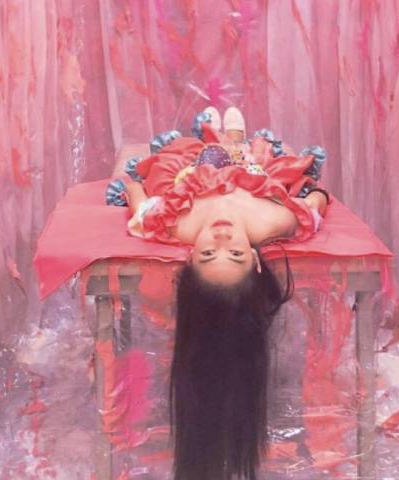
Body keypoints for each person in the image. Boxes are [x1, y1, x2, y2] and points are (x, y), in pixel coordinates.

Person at [106, 107, 330, 480]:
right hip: (250, 171)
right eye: (236, 254)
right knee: (252, 153)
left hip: (195, 168)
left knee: (188, 154)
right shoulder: (274, 221)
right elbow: (313, 209)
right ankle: (234, 137)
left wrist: (129, 184)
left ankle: (214, 134)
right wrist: (319, 193)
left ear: (189, 260)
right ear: (255, 260)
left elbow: (139, 202)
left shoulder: (175, 223)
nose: (221, 237)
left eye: (208, 253)